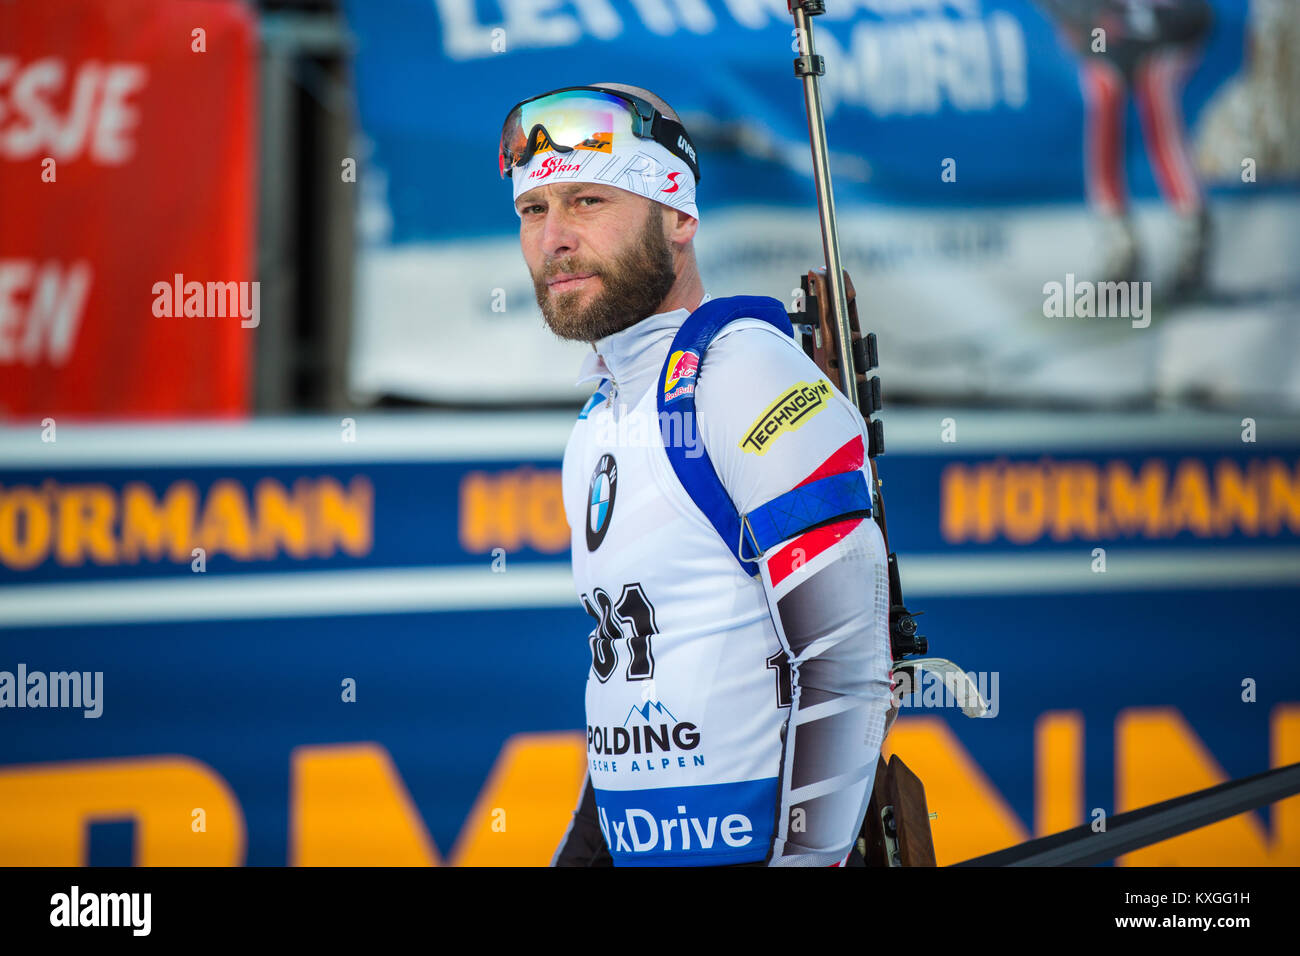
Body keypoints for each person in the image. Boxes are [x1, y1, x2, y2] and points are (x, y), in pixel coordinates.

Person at [499, 82, 894, 866]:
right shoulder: (598, 421)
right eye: (533, 211)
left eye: (586, 201)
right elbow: (628, 692)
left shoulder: (743, 374)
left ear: (678, 216)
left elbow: (848, 668)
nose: (555, 238)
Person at [1039, 0, 1213, 297]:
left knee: (1156, 93)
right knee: (1102, 98)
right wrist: (1085, 17)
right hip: (1107, 41)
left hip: (1164, 34)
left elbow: (1197, 17)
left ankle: (1192, 235)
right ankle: (1118, 242)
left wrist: (1148, 23)